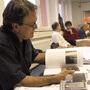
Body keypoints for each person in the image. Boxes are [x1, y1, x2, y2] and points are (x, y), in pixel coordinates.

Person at [0, 0, 74, 90]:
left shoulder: (23, 36)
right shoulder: (2, 43)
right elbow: (20, 80)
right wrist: (56, 78)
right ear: (16, 26)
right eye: (32, 24)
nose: (35, 27)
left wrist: (66, 56)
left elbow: (35, 56)